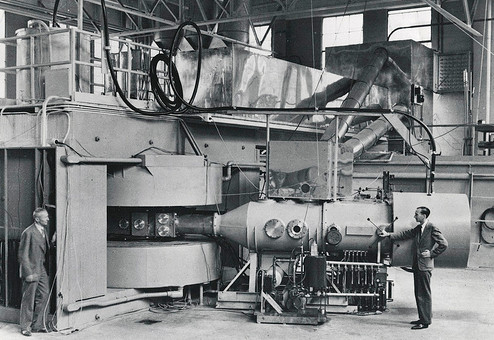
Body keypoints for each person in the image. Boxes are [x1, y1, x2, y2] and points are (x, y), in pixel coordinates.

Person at [379, 206, 448, 330]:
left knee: (424, 294)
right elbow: (405, 234)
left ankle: (425, 321)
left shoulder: (431, 227)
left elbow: (444, 244)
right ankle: (423, 318)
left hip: (424, 266)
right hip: (418, 265)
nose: (414, 216)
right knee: (419, 293)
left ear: (424, 216)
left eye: (417, 214)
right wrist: (388, 234)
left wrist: (431, 254)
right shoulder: (418, 228)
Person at [18, 208, 52, 336]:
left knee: (44, 295)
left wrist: (52, 241)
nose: (48, 219)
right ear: (37, 219)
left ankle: (37, 325)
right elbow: (23, 255)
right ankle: (25, 327)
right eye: (45, 217)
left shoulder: (44, 231)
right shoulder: (28, 232)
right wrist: (28, 273)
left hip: (41, 268)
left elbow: (44, 249)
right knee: (29, 299)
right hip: (31, 269)